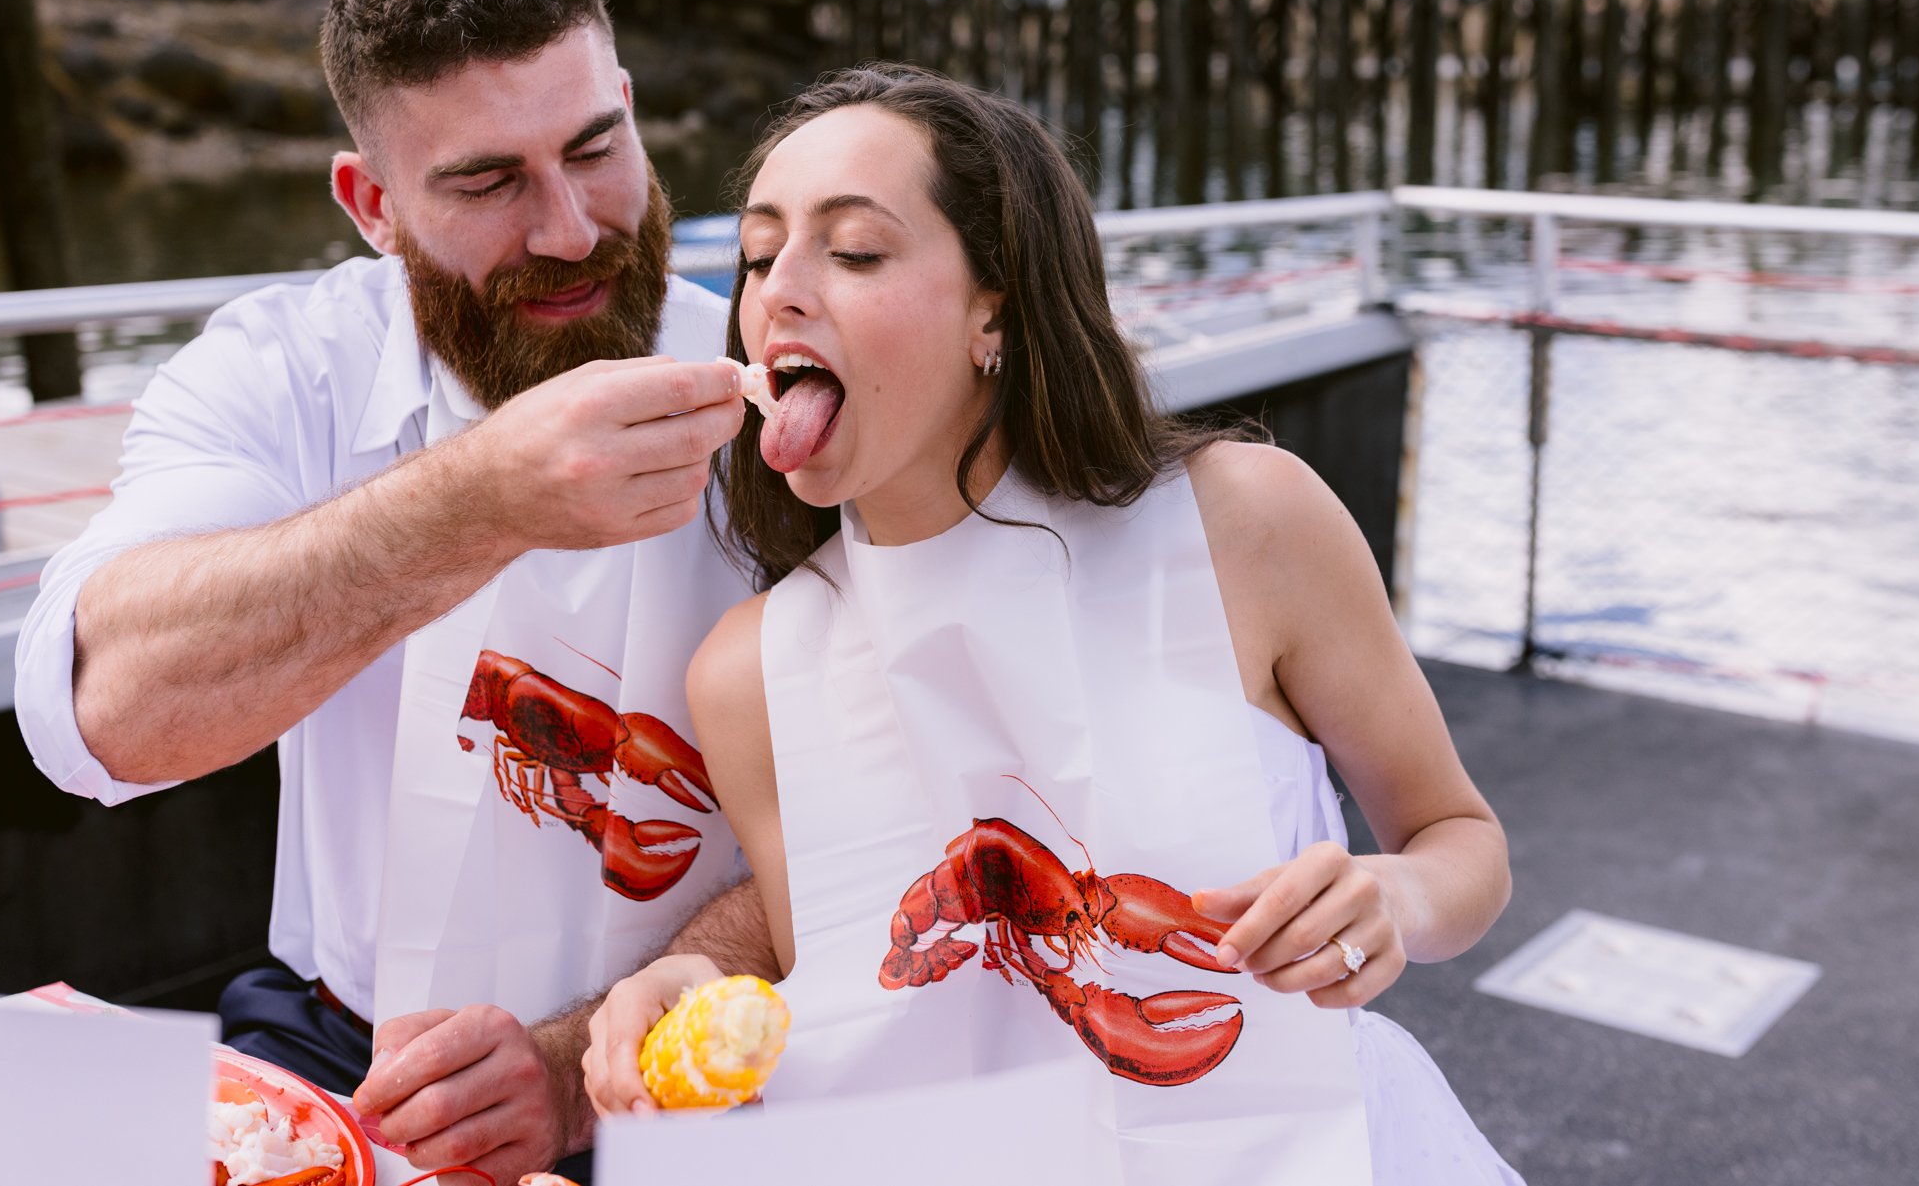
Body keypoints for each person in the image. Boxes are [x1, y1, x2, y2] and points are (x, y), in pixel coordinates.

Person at [584, 67, 1522, 1182]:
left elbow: (1462, 842)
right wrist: (699, 995)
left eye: (855, 250)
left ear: (997, 306)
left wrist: (1393, 901)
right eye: (756, 253)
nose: (778, 289)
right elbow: (868, 998)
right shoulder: (747, 672)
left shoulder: (1249, 520)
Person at [13, 0, 772, 1186]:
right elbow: (101, 716)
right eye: (487, 182)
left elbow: (881, 817)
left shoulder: (779, 385)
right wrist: (487, 495)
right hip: (327, 1044)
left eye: (596, 148)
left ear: (632, 108)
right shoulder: (283, 368)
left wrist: (573, 1062)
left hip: (688, 1069)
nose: (574, 229)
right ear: (372, 204)